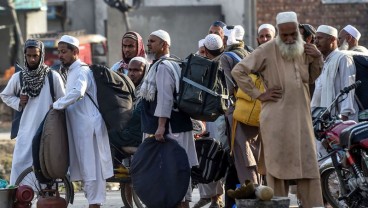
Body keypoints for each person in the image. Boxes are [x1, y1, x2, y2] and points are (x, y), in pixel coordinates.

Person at [231, 11, 324, 207]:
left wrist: (317, 58)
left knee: (307, 164)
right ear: (278, 33)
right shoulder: (266, 49)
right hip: (276, 119)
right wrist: (259, 94)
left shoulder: (305, 49)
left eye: (293, 34)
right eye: (285, 35)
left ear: (298, 31)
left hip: (302, 119)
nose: (289, 39)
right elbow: (238, 70)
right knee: (277, 168)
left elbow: (311, 78)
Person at [52, 35, 113, 208]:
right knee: (87, 170)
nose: (60, 56)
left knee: (92, 170)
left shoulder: (82, 70)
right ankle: (93, 203)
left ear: (76, 52)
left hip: (89, 128)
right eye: (59, 52)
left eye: (64, 52)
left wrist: (56, 105)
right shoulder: (71, 71)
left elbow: (78, 91)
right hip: (81, 129)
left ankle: (95, 204)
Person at [139, 29, 198, 208]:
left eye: (153, 41)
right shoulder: (174, 63)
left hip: (172, 128)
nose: (149, 44)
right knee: (180, 170)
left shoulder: (164, 67)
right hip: (180, 125)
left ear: (164, 45)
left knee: (173, 173)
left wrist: (161, 126)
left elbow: (165, 98)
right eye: (148, 41)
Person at [0, 39, 65, 185]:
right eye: (29, 56)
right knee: (19, 166)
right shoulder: (19, 77)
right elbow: (5, 95)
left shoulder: (52, 76)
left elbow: (63, 100)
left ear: (41, 55)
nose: (32, 59)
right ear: (25, 55)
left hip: (47, 131)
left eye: (35, 55)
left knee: (45, 166)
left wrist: (54, 108)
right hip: (26, 131)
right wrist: (18, 102)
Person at [193, 34, 225, 208]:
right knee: (202, 155)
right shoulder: (196, 66)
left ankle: (216, 197)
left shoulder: (220, 65)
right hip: (200, 117)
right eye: (201, 51)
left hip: (217, 117)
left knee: (215, 154)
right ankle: (206, 195)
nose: (204, 54)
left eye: (206, 51)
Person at [312, 25, 359, 121]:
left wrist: (344, 115)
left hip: (343, 119)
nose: (316, 42)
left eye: (320, 38)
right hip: (327, 120)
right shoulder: (324, 61)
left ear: (332, 40)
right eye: (315, 38)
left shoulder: (343, 58)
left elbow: (348, 86)